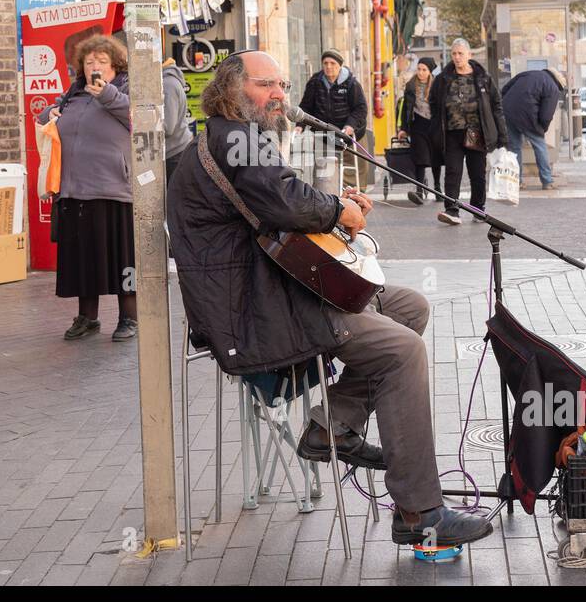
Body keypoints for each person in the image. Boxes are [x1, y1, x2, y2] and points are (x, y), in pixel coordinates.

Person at [167, 51, 493, 549]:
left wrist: (333, 208)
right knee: (402, 351)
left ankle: (331, 428)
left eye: (282, 83)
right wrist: (338, 210)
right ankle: (419, 512)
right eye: (265, 85)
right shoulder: (235, 137)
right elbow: (288, 203)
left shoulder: (234, 136)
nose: (279, 94)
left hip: (271, 293)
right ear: (232, 90)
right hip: (256, 312)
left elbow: (280, 198)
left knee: (408, 308)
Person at [40, 31, 138, 342]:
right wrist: (48, 113)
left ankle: (129, 318)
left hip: (113, 189)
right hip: (75, 189)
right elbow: (47, 117)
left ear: (116, 65)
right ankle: (87, 318)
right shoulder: (74, 93)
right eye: (89, 61)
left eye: (102, 61)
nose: (93, 65)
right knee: (84, 259)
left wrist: (106, 93)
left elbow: (139, 118)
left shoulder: (124, 90)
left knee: (121, 260)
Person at [427, 39, 508, 225]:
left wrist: (502, 136)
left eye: (460, 53)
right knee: (453, 172)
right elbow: (433, 102)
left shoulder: (482, 77)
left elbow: (496, 106)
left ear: (469, 55)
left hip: (475, 132)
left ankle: (478, 209)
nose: (456, 57)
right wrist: (435, 127)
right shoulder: (443, 79)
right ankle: (452, 210)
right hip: (452, 132)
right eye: (454, 54)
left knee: (477, 173)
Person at [297, 50, 368, 194]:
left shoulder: (351, 83)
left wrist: (350, 126)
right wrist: (299, 126)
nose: (329, 66)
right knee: (325, 171)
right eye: (325, 63)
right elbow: (306, 107)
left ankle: (354, 196)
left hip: (349, 133)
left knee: (353, 170)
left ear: (340, 65)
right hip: (325, 133)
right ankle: (328, 197)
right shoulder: (315, 82)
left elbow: (360, 109)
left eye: (333, 63)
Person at [500, 66, 566, 190]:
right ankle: (547, 181)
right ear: (559, 84)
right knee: (540, 146)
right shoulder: (553, 88)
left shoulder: (527, 73)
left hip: (507, 111)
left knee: (514, 148)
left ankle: (516, 181)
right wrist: (542, 130)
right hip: (527, 115)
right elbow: (546, 116)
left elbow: (505, 89)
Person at [395, 57, 442, 205]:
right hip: (417, 126)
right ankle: (419, 191)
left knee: (436, 158)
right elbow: (405, 109)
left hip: (434, 125)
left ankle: (437, 189)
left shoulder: (437, 85)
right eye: (419, 69)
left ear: (429, 71)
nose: (421, 72)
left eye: (424, 70)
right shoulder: (410, 85)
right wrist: (403, 129)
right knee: (420, 159)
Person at [162, 57, 193, 181]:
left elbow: (168, 127)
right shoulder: (169, 81)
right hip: (175, 151)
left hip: (174, 153)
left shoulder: (167, 84)